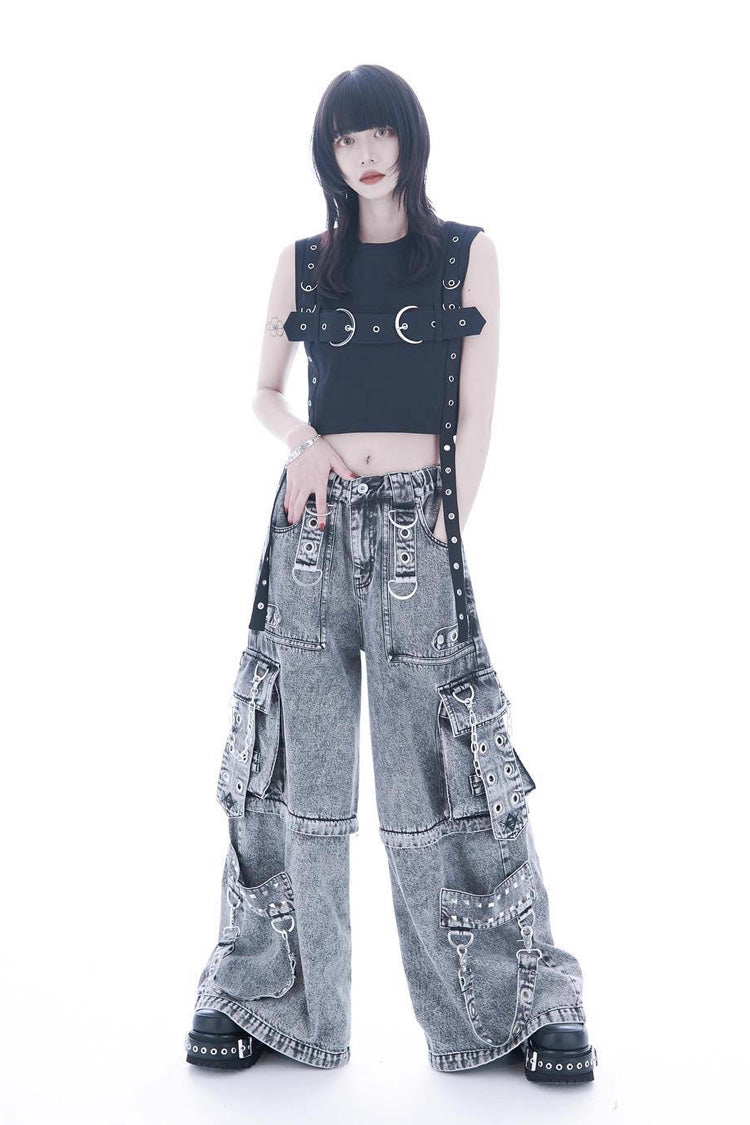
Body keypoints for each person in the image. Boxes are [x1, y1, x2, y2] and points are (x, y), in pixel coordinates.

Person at [185, 64, 597, 1083]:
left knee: (447, 779)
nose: (365, 156)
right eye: (344, 140)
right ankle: (264, 998)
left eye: (379, 134)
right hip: (311, 529)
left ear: (410, 138)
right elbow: (263, 392)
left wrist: (446, 532)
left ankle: (514, 1006)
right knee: (293, 773)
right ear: (327, 154)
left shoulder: (466, 255)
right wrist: (303, 444)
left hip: (421, 529)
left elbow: (478, 412)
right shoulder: (301, 263)